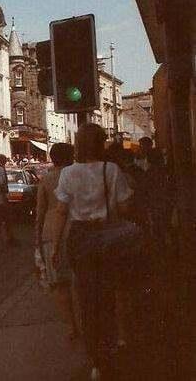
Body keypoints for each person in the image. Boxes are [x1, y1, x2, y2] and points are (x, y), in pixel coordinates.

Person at [52, 123, 133, 380]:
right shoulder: (111, 169)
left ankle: (96, 361)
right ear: (101, 144)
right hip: (108, 237)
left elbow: (61, 213)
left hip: (80, 239)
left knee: (86, 299)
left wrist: (55, 247)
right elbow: (126, 206)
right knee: (109, 294)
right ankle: (112, 349)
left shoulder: (67, 174)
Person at [35, 143, 79, 339]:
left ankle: (71, 326)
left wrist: (36, 239)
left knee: (59, 284)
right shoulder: (78, 175)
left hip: (51, 233)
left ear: (52, 158)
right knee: (79, 281)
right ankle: (84, 321)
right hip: (77, 229)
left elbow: (40, 212)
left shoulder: (46, 179)